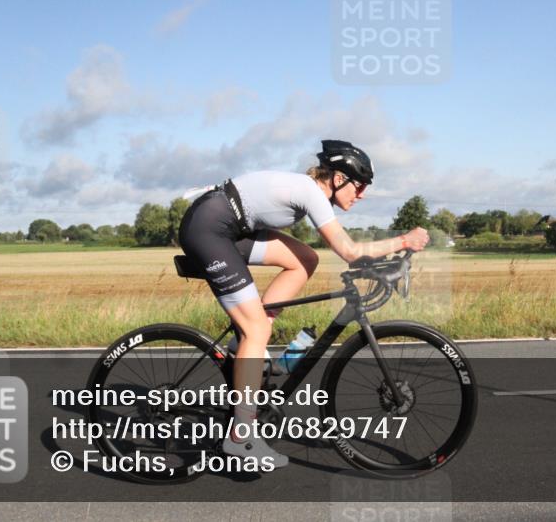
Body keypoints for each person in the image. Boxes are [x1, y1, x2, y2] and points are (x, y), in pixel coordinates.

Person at [178, 140, 429, 468]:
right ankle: (241, 436)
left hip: (227, 226)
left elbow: (345, 254)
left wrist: (387, 261)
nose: (363, 193)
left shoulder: (308, 190)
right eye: (360, 185)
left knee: (304, 259)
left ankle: (248, 340)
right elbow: (350, 252)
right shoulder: (311, 192)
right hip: (208, 230)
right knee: (255, 329)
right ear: (338, 179)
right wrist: (403, 241)